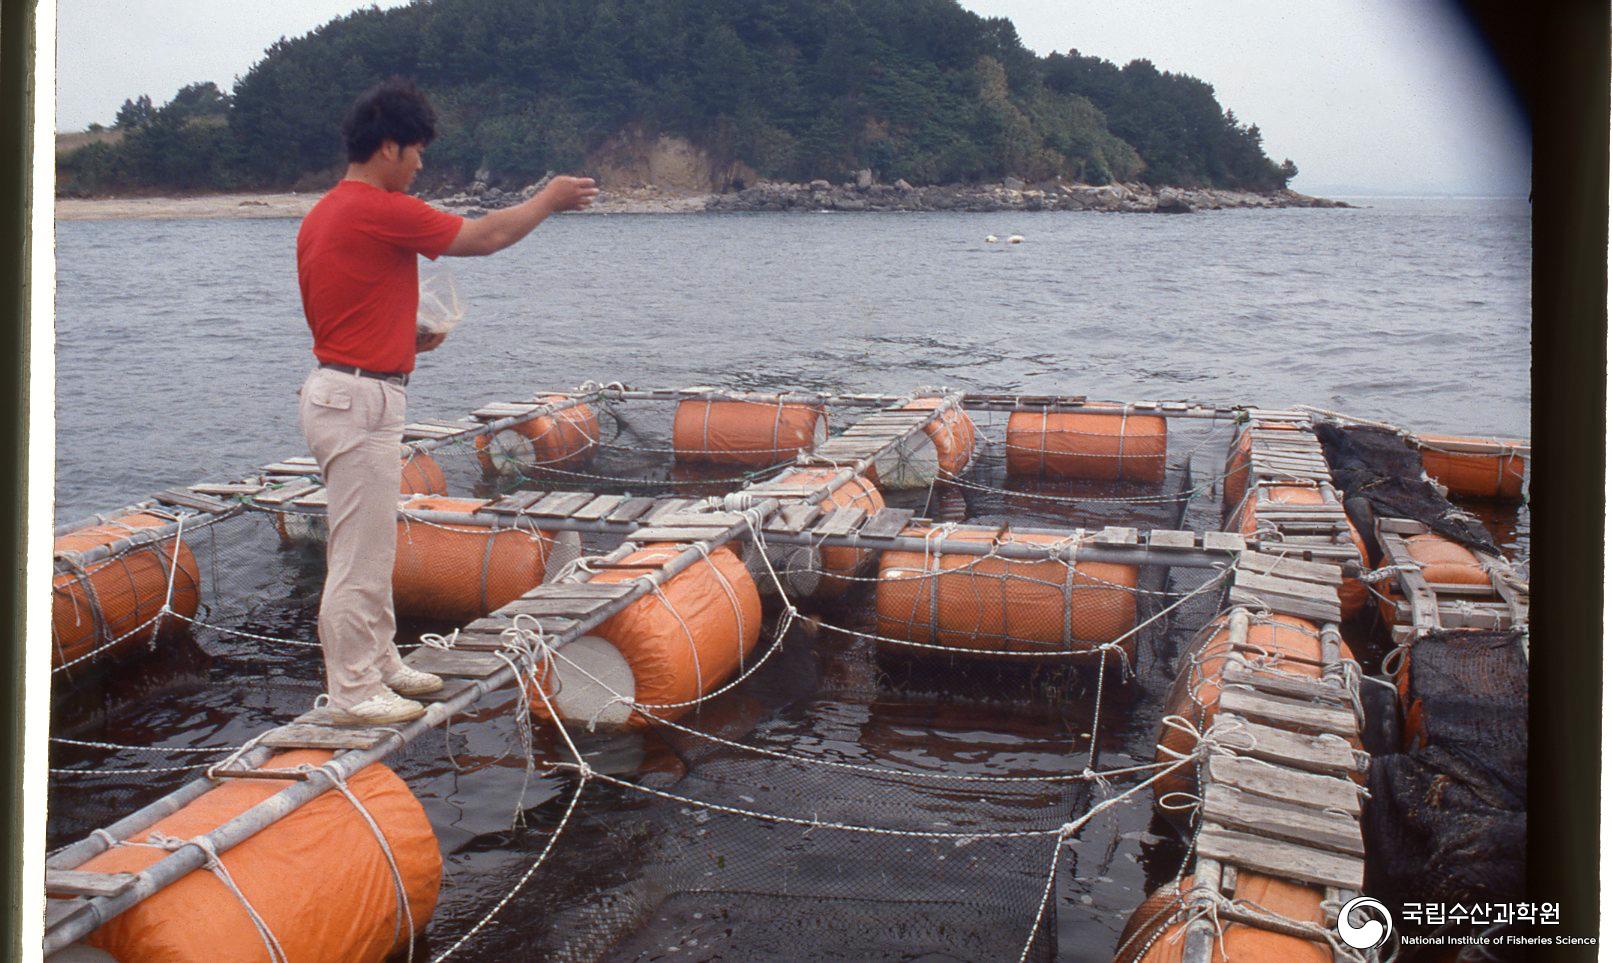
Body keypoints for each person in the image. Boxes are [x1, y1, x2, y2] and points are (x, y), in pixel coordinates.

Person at [296, 77, 598, 724]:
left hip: (346, 387)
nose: (421, 164)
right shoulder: (377, 206)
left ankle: (379, 663)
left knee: (373, 544)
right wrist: (548, 198)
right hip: (358, 400)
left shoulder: (325, 213)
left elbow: (338, 309)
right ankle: (353, 689)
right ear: (388, 148)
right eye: (417, 151)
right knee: (356, 553)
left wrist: (400, 339)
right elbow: (485, 237)